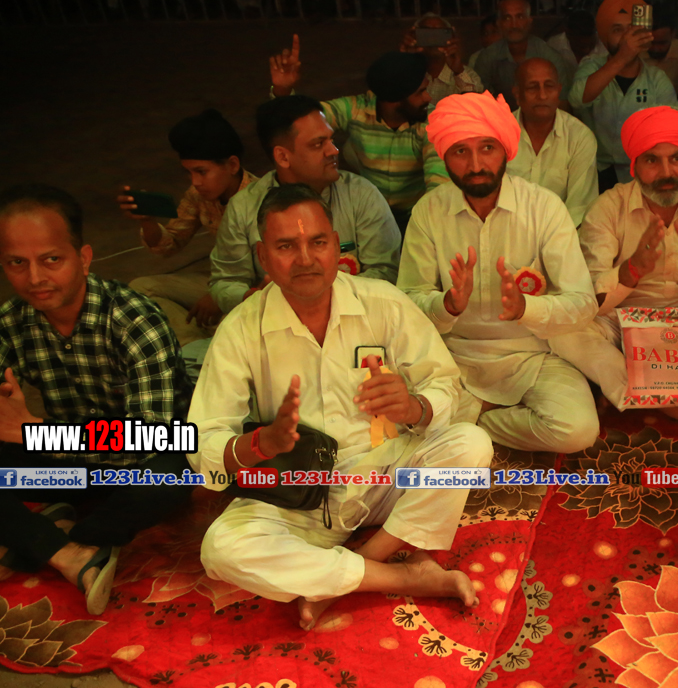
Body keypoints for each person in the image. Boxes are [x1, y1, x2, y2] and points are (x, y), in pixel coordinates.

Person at [191, 184, 492, 631]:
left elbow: (445, 383)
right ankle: (403, 575)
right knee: (221, 548)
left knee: (470, 444)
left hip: (387, 476)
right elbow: (202, 441)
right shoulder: (241, 329)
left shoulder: (382, 302)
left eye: (318, 242)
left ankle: (357, 565)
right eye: (286, 246)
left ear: (336, 245)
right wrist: (259, 445)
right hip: (302, 492)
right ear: (262, 256)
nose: (306, 259)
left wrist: (414, 407)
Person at [0, 185, 195, 614]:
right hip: (70, 465)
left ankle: (46, 537)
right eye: (17, 263)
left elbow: (150, 438)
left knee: (170, 481)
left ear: (83, 258)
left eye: (51, 259)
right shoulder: (11, 322)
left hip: (140, 463)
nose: (35, 278)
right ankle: (68, 553)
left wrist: (34, 433)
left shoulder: (134, 318)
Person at [399, 92, 599, 453]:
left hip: (532, 356)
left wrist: (527, 309)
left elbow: (583, 304)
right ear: (444, 157)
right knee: (395, 417)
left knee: (578, 430)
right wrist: (448, 304)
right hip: (453, 357)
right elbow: (407, 302)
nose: (476, 164)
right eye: (461, 151)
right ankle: (476, 414)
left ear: (506, 150)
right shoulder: (428, 212)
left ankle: (473, 418)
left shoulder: (544, 207)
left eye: (487, 148)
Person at [550, 107, 678, 429]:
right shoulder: (608, 208)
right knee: (564, 333)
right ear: (634, 165)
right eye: (652, 160)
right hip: (621, 326)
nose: (666, 172)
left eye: (676, 159)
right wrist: (630, 271)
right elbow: (586, 299)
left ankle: (637, 397)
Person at [209, 95, 401, 315]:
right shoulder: (243, 207)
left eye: (331, 140)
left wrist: (317, 299)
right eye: (318, 144)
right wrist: (253, 298)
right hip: (272, 318)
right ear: (283, 157)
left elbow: (386, 272)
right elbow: (225, 281)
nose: (333, 150)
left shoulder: (361, 195)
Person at [269, 37, 448, 231]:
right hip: (368, 211)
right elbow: (300, 121)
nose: (428, 97)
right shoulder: (355, 109)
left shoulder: (432, 121)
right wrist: (283, 90)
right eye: (421, 92)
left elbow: (438, 185)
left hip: (415, 215)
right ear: (395, 99)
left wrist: (427, 224)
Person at [118, 109, 257, 345]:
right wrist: (147, 220)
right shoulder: (198, 195)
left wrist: (219, 295)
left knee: (239, 327)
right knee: (140, 289)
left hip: (256, 290)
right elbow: (169, 244)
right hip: (219, 282)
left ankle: (209, 343)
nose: (195, 181)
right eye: (189, 172)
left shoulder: (262, 198)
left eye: (202, 172)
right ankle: (193, 346)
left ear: (232, 165)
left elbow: (272, 273)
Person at [571, 0, 678, 191]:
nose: (627, 37)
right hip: (594, 170)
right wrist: (622, 57)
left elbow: (672, 130)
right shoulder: (591, 65)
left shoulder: (656, 79)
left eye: (632, 29)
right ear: (605, 36)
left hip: (640, 174)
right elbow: (577, 99)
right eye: (617, 30)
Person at [507, 58, 599, 227]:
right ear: (517, 94)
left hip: (561, 234)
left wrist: (553, 240)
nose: (542, 95)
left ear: (558, 91)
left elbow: (579, 209)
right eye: (532, 87)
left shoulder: (579, 137)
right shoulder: (500, 133)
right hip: (507, 232)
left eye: (549, 86)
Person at [473, 0, 574, 111]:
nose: (514, 25)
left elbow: (561, 105)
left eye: (520, 17)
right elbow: (478, 101)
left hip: (542, 119)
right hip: (500, 119)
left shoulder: (549, 57)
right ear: (499, 23)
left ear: (529, 21)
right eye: (507, 18)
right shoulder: (488, 57)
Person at [401, 12, 484, 104]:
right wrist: (404, 61)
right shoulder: (407, 72)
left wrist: (458, 71)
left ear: (450, 37)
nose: (433, 38)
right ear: (416, 37)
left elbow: (475, 105)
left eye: (439, 33)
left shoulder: (468, 75)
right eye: (427, 33)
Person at [644, 7, 678, 93]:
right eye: (651, 43)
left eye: (662, 43)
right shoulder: (634, 52)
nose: (656, 48)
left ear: (673, 34)